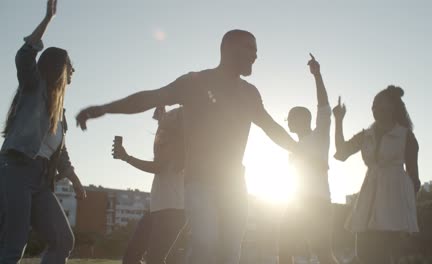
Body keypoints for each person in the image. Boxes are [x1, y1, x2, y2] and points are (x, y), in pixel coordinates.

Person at [75, 29, 297, 264]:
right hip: (200, 183)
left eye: (256, 50)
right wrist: (105, 108)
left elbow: (271, 127)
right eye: (250, 48)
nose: (255, 55)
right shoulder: (195, 83)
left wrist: (300, 150)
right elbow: (150, 98)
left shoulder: (250, 93)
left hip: (234, 184)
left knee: (230, 252)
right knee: (205, 243)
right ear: (229, 49)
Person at [0, 1, 86, 263]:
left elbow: (60, 154)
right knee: (15, 243)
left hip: (41, 180)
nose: (73, 71)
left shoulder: (59, 113)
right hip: (16, 169)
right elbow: (24, 56)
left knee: (63, 240)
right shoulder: (33, 88)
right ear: (58, 66)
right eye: (70, 65)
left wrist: (75, 179)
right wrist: (48, 19)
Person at [333, 86, 420, 264]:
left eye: (379, 104)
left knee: (384, 256)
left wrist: (407, 211)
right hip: (368, 200)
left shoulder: (406, 136)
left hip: (393, 203)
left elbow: (414, 179)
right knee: (364, 254)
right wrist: (339, 120)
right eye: (373, 105)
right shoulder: (366, 135)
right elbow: (341, 153)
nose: (374, 109)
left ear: (393, 107)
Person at [278, 54, 337, 264]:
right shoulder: (292, 149)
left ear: (304, 119)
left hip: (318, 202)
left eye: (291, 118)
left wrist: (317, 75)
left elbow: (324, 107)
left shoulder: (319, 135)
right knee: (284, 247)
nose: (288, 122)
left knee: (323, 252)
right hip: (296, 202)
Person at [116, 107, 185, 264]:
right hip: (157, 208)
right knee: (131, 257)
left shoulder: (178, 145)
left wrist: (126, 157)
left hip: (172, 210)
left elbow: (157, 167)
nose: (167, 115)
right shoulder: (167, 141)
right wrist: (160, 123)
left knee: (154, 259)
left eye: (170, 115)